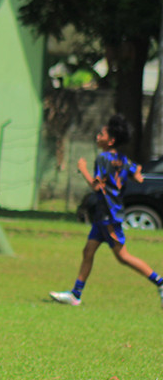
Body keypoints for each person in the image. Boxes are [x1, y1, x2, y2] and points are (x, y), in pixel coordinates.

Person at [50, 114, 163, 307]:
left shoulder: (103, 159)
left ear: (110, 140)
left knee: (123, 257)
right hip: (104, 215)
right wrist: (133, 172)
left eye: (101, 134)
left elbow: (96, 186)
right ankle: (75, 294)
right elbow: (139, 177)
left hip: (109, 216)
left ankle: (160, 282)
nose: (98, 136)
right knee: (88, 251)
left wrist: (83, 169)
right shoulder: (123, 159)